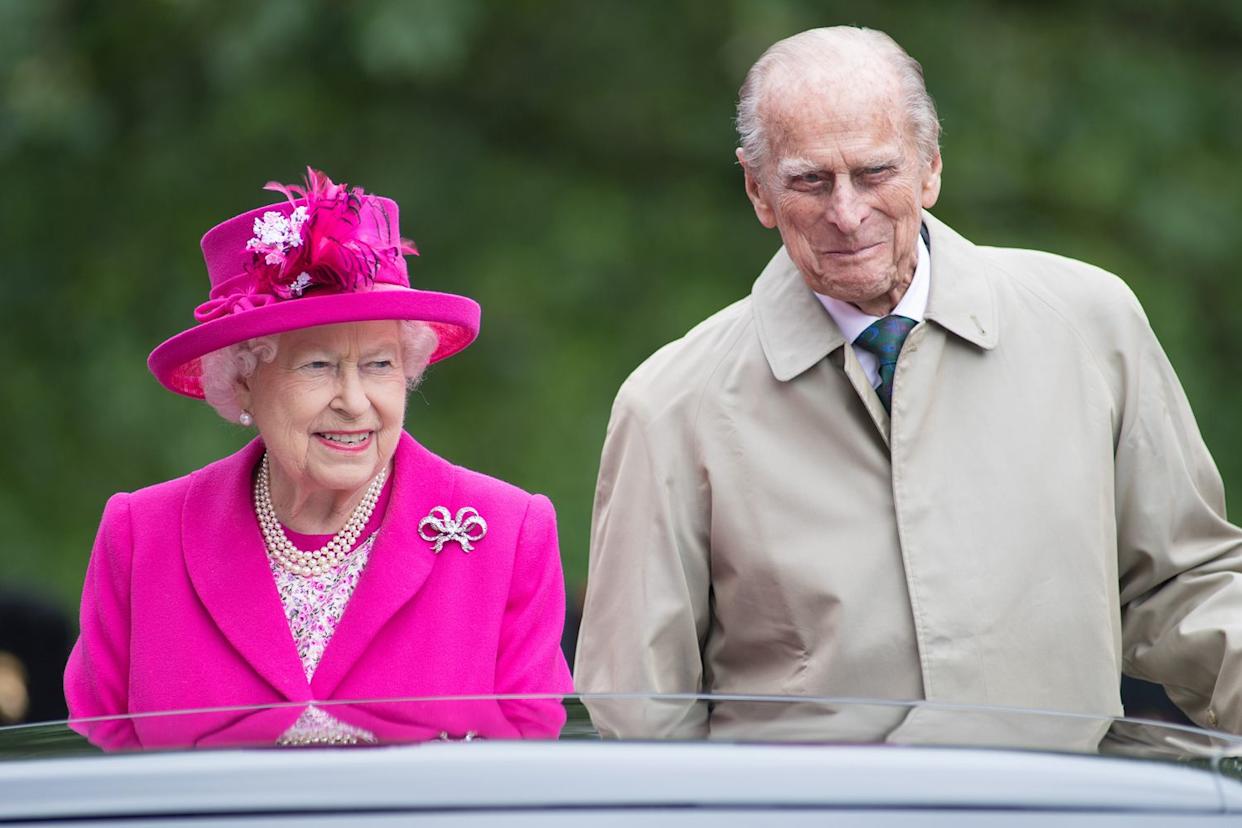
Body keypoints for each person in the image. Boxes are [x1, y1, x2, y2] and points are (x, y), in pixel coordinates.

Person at [574, 27, 1242, 736]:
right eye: (809, 180)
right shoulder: (671, 405)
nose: (847, 213)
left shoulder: (1090, 327)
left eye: (874, 173)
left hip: (1062, 807)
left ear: (930, 169)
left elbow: (1185, 588)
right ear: (757, 189)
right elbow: (640, 717)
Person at [65, 169, 572, 749]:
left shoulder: (507, 533)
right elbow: (93, 765)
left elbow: (528, 783)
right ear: (244, 382)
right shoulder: (142, 536)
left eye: (380, 365)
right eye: (318, 366)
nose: (355, 403)